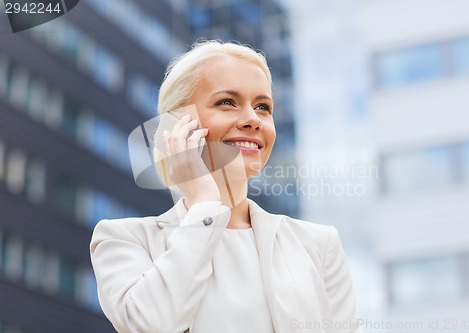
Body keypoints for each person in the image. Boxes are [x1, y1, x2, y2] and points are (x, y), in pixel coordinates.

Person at [90, 40, 360, 333]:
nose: (252, 120)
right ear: (174, 127)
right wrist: (205, 205)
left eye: (263, 107)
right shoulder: (125, 240)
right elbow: (151, 325)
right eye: (227, 102)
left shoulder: (318, 245)